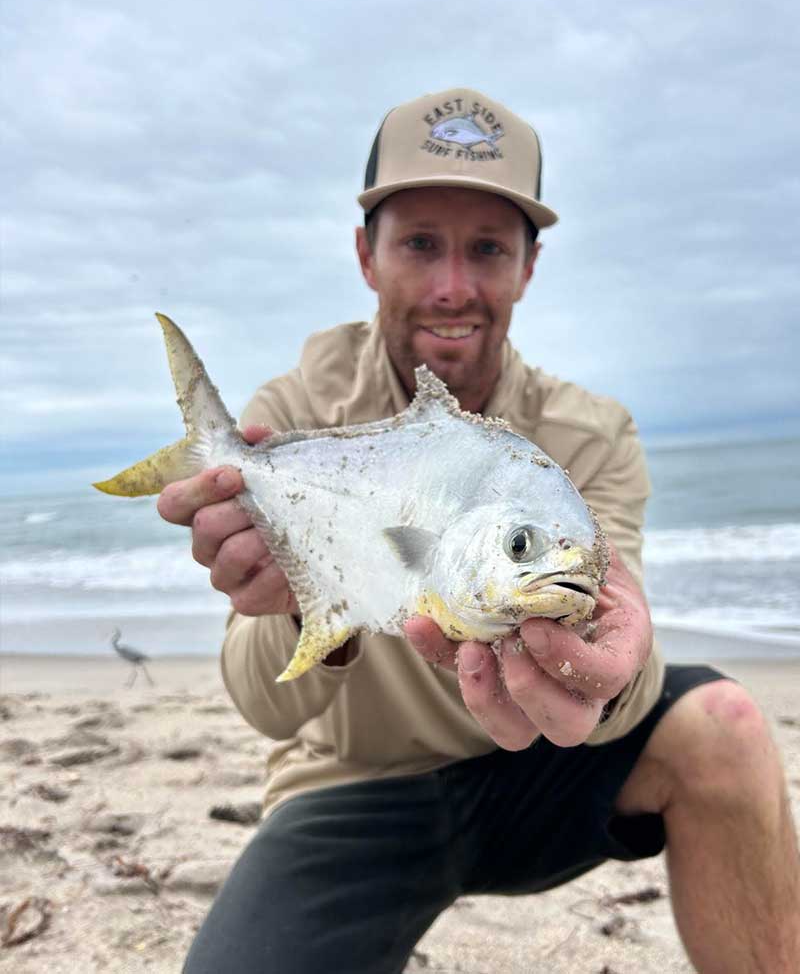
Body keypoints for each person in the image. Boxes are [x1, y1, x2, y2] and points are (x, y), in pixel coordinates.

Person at [158, 88, 800, 973]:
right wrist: (303, 606)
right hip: (354, 789)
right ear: (366, 255)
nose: (453, 286)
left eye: (488, 248)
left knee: (724, 723)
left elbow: (629, 680)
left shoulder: (588, 436)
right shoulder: (294, 420)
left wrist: (610, 671)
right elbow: (265, 708)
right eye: (420, 243)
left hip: (538, 771)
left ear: (529, 266)